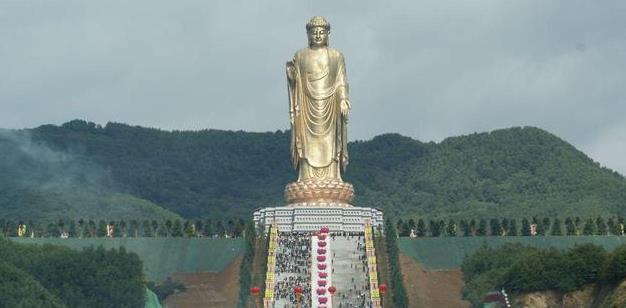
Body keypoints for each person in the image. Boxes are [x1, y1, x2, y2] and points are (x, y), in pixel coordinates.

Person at [287, 16, 351, 182]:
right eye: (313, 32)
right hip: (306, 105)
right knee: (306, 141)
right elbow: (296, 82)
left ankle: (333, 176)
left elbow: (341, 81)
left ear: (327, 34)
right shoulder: (300, 55)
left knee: (331, 142)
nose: (317, 35)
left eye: (321, 32)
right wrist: (292, 78)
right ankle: (306, 176)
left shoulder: (336, 56)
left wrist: (343, 99)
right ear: (308, 34)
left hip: (330, 105)